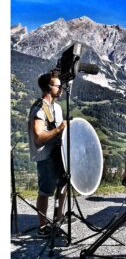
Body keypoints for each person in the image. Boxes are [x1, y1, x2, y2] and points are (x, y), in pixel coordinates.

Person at [28, 72, 68, 237]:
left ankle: (58, 220)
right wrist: (59, 129)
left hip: (59, 154)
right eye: (58, 86)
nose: (61, 89)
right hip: (46, 157)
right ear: (48, 88)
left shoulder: (56, 108)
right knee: (45, 192)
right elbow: (38, 138)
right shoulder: (39, 108)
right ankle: (43, 227)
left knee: (63, 187)